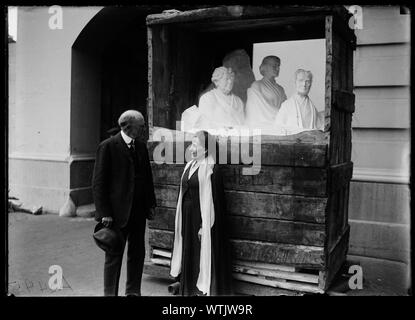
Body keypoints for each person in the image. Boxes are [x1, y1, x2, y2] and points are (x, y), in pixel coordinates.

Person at [92, 110, 156, 296]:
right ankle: (110, 294)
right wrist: (104, 213)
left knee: (137, 254)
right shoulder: (108, 146)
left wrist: (150, 204)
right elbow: (98, 183)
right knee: (114, 254)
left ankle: (133, 292)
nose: (144, 128)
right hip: (116, 214)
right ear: (129, 126)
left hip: (138, 212)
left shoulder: (142, 147)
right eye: (141, 125)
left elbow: (147, 178)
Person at [170, 131, 233, 296]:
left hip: (201, 218)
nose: (192, 148)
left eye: (196, 145)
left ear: (206, 150)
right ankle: (188, 286)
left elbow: (213, 203)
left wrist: (203, 226)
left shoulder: (212, 169)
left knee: (200, 250)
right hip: (187, 216)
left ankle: (201, 289)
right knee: (188, 249)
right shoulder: (190, 165)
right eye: (191, 144)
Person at [274, 69, 324, 134]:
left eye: (307, 81)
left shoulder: (313, 108)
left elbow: (319, 127)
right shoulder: (286, 105)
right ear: (295, 82)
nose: (304, 84)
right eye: (301, 80)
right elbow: (278, 126)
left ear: (310, 84)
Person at [195, 67, 245, 132]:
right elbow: (205, 125)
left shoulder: (238, 101)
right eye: (226, 79)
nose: (230, 82)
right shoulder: (207, 98)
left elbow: (242, 123)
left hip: (237, 138)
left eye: (231, 79)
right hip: (214, 140)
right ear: (216, 82)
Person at [245, 56, 287, 131]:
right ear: (265, 67)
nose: (278, 69)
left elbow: (286, 108)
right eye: (274, 66)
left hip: (279, 126)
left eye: (278, 66)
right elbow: (255, 109)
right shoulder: (257, 86)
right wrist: (280, 115)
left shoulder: (280, 89)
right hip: (264, 126)